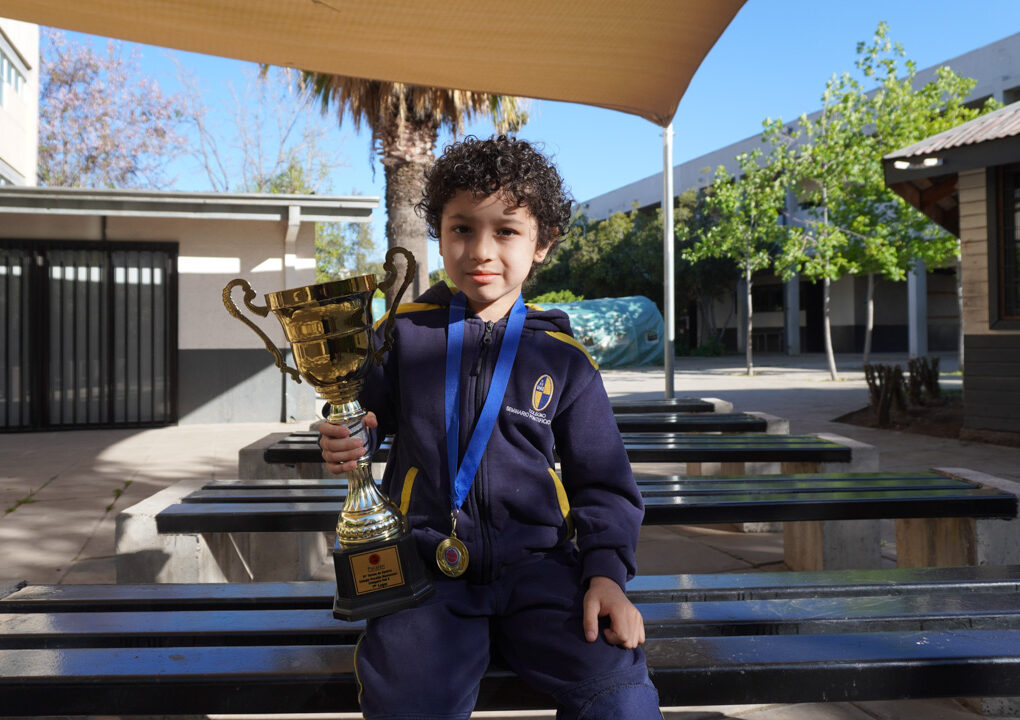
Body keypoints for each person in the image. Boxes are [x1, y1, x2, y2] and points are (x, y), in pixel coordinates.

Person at [319, 135, 661, 719]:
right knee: (406, 701)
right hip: (425, 573)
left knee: (618, 694)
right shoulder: (403, 335)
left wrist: (605, 576)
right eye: (461, 228)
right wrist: (345, 436)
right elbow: (360, 417)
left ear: (542, 244)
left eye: (506, 230)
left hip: (542, 572)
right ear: (439, 232)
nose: (481, 249)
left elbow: (603, 482)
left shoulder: (563, 358)